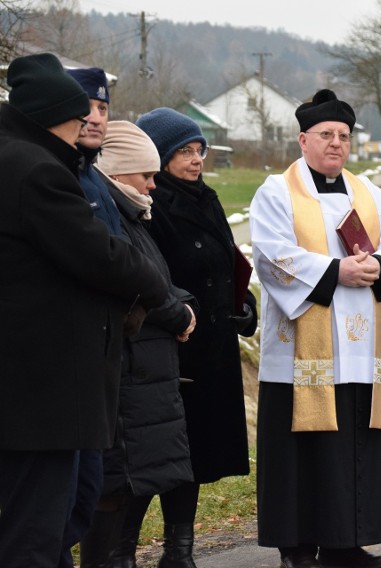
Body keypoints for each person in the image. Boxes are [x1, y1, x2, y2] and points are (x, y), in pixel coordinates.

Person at [0, 52, 168, 568]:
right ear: (57, 116)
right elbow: (98, 253)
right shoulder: (34, 171)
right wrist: (154, 285)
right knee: (35, 529)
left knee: (56, 516)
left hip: (38, 389)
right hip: (43, 392)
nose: (85, 128)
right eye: (80, 117)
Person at [250, 89, 381, 568]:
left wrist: (379, 266)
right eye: (326, 134)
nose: (336, 144)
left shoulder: (370, 194)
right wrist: (334, 272)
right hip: (302, 352)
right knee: (302, 450)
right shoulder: (276, 192)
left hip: (362, 348)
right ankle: (297, 548)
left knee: (355, 447)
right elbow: (270, 253)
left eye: (344, 136)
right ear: (303, 140)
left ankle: (346, 544)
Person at [136, 108, 258, 568]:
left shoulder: (206, 199)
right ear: (159, 157)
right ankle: (119, 551)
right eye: (183, 152)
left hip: (213, 348)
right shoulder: (152, 206)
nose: (195, 160)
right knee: (160, 456)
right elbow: (154, 276)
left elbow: (226, 265)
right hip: (174, 349)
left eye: (198, 150)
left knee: (194, 457)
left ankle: (179, 552)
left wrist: (242, 307)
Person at [76, 120, 198, 567]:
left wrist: (185, 304)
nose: (152, 182)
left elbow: (158, 279)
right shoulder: (109, 214)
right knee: (114, 487)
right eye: (145, 173)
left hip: (146, 371)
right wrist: (178, 312)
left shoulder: (132, 213)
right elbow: (131, 284)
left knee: (127, 485)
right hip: (130, 372)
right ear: (117, 171)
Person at [59, 65, 121, 568]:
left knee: (84, 494)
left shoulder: (95, 179)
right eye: (87, 107)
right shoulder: (55, 176)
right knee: (51, 510)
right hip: (60, 364)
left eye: (103, 108)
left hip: (101, 361)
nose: (96, 118)